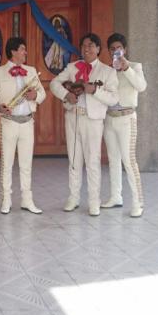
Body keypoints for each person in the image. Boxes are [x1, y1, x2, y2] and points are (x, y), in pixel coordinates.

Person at [50, 33, 118, 216]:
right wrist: (66, 95)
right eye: (83, 46)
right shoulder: (72, 67)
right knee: (73, 159)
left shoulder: (107, 71)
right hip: (73, 116)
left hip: (93, 120)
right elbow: (54, 83)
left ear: (98, 49)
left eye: (90, 46)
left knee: (93, 160)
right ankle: (73, 197)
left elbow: (113, 98)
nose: (86, 49)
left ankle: (94, 201)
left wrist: (95, 90)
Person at [0, 37, 46, 214]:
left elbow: (42, 94)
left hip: (28, 122)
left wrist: (35, 95)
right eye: (22, 49)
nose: (25, 52)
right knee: (7, 163)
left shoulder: (31, 70)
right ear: (13, 51)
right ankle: (6, 199)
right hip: (9, 122)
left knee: (26, 164)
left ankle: (27, 200)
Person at [102, 33, 147, 218]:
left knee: (129, 161)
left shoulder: (135, 66)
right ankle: (115, 196)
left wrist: (126, 67)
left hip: (127, 118)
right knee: (113, 159)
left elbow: (142, 86)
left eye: (118, 48)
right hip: (110, 117)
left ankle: (138, 202)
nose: (115, 51)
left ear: (125, 49)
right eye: (112, 49)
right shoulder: (107, 70)